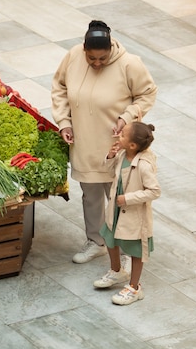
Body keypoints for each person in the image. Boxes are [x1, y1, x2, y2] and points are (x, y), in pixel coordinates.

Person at [51, 20, 158, 264]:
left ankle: (128, 245)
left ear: (110, 48)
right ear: (84, 49)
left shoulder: (130, 63)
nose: (97, 63)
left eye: (103, 58)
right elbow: (59, 87)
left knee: (121, 196)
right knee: (91, 194)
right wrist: (64, 122)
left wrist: (127, 117)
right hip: (84, 140)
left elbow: (147, 93)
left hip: (117, 144)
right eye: (92, 59)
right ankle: (96, 241)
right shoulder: (73, 56)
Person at [93, 121, 160, 305]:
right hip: (116, 209)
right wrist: (110, 155)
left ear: (133, 145)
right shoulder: (122, 154)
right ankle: (116, 270)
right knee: (109, 237)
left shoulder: (144, 165)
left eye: (122, 135)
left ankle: (134, 287)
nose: (118, 136)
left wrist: (129, 198)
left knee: (136, 251)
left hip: (134, 214)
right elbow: (109, 171)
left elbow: (154, 191)